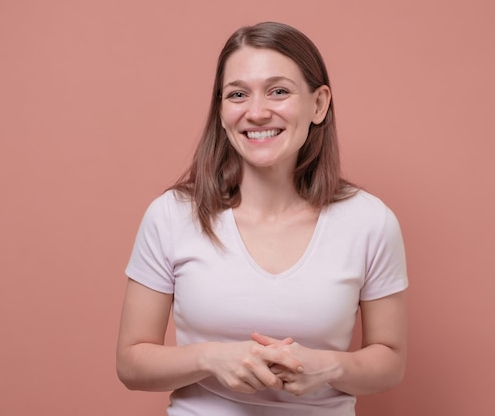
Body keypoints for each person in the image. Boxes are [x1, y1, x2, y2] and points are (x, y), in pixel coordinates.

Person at [116, 21, 408, 416]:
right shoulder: (171, 215)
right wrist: (209, 358)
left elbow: (390, 361)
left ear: (318, 105)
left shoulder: (370, 222)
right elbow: (131, 363)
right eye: (238, 94)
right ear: (221, 111)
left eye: (279, 91)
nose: (256, 112)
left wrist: (328, 367)